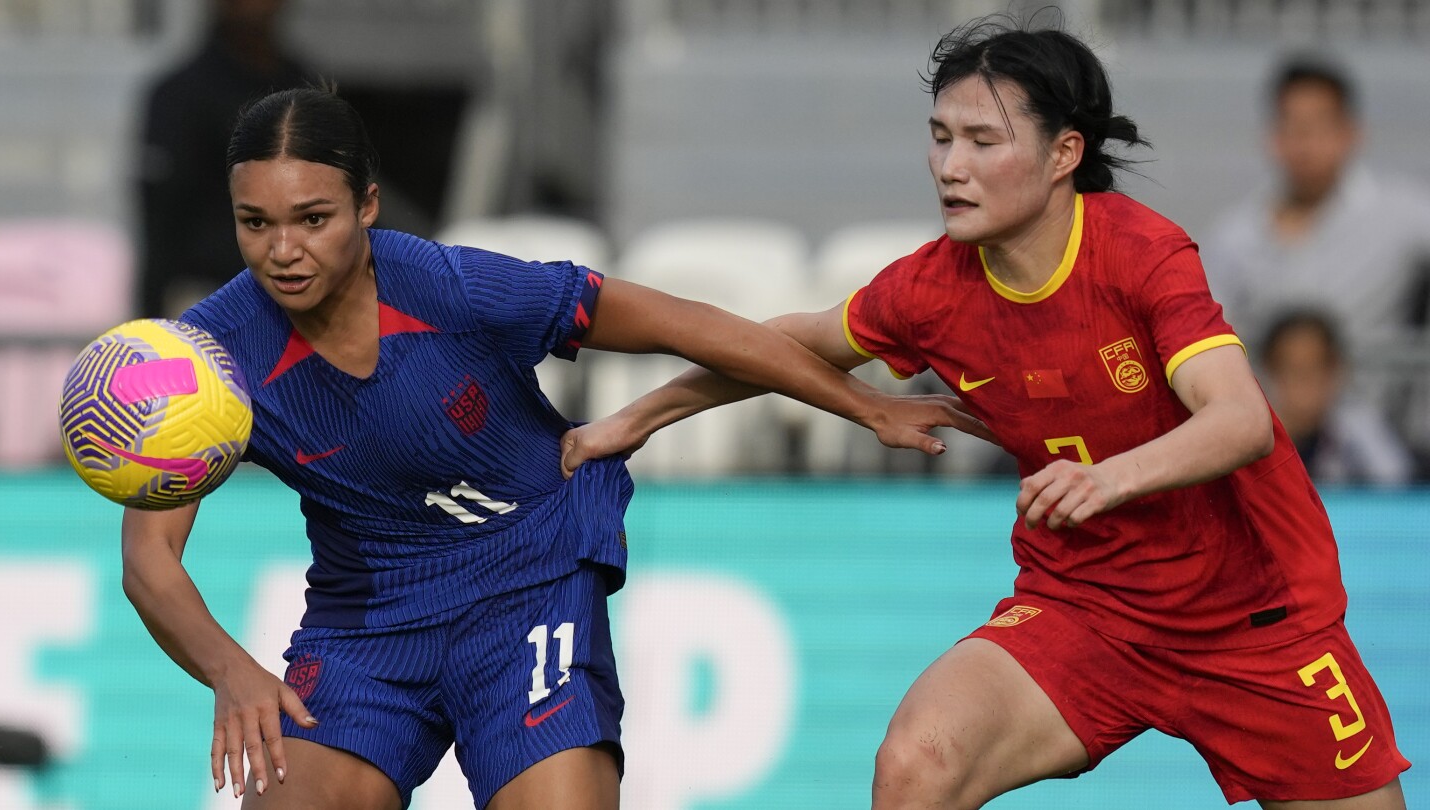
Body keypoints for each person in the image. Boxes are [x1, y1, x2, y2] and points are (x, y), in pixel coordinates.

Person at [560, 18, 1410, 809]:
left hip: (1256, 622)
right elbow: (788, 343)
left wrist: (1110, 478)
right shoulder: (931, 288)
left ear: (1063, 154)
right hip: (1085, 610)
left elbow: (1239, 421)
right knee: (917, 761)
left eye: (981, 141)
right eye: (939, 138)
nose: (949, 166)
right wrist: (638, 419)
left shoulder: (1144, 255)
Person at [117, 86, 983, 809]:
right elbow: (150, 560)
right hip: (367, 627)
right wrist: (231, 671)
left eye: (313, 218)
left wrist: (861, 405)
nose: (283, 251)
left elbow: (693, 326)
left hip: (529, 580)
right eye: (254, 223)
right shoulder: (206, 360)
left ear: (368, 205)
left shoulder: (459, 288)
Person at [1199, 56, 1430, 440]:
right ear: (1272, 136)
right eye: (1292, 127)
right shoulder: (1233, 237)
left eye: (1319, 126)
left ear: (1351, 132)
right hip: (1266, 439)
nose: (1305, 144)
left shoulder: (1404, 214)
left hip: (1378, 446)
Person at [135, 0, 307, 319]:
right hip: (207, 303)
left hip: (300, 302)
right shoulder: (179, 95)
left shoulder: (305, 88)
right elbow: (160, 221)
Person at [1259, 309, 1415, 487]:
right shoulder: (1255, 434)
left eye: (1316, 369)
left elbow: (1396, 485)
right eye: (1294, 370)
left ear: (1337, 371)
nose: (1306, 383)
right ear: (1269, 371)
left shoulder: (1358, 425)